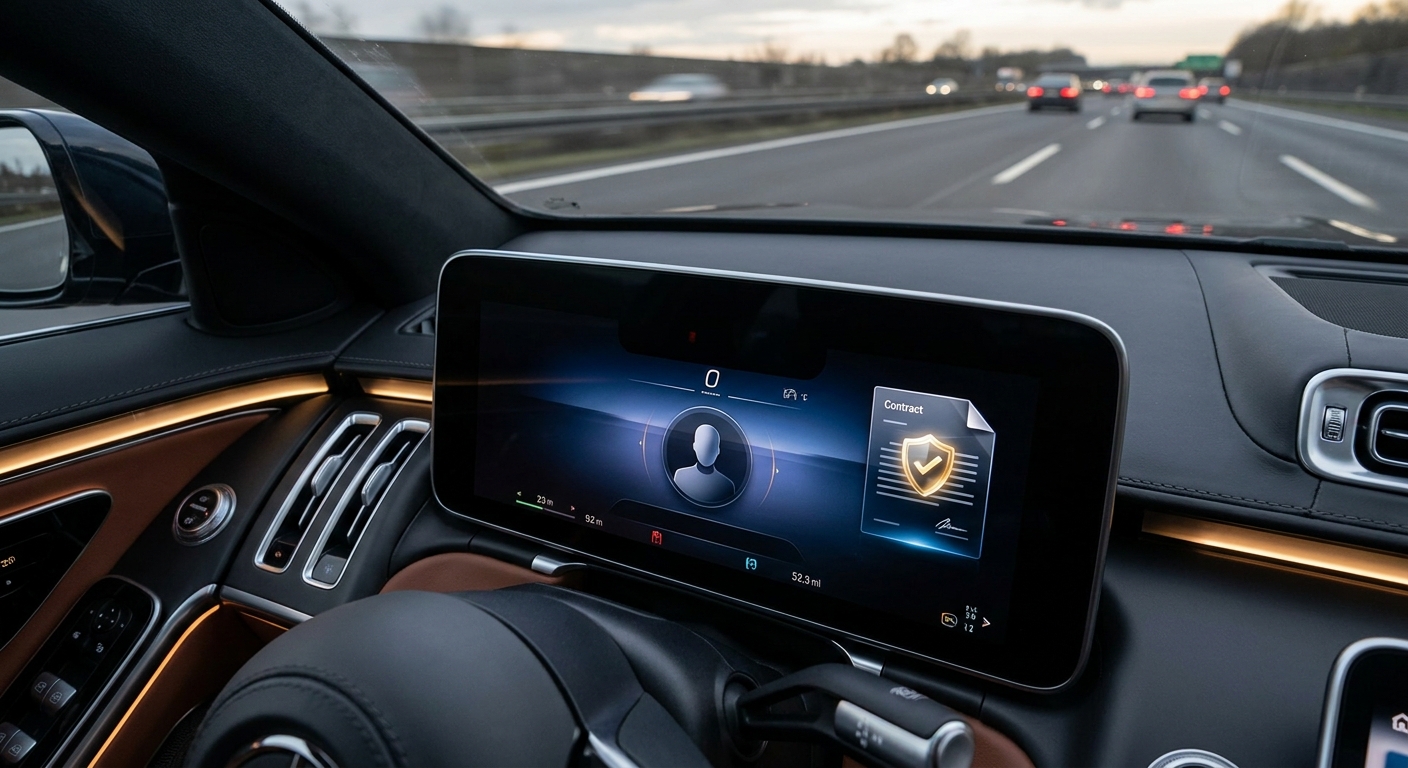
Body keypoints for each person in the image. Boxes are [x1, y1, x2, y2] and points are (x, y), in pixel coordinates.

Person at [672, 423, 736, 504]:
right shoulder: (680, 476)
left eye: (711, 446)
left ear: (718, 450)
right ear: (694, 446)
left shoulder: (727, 486)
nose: (706, 450)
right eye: (702, 444)